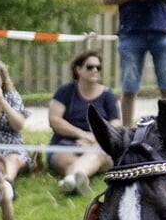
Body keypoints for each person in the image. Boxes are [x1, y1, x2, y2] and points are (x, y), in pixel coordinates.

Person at [47, 49, 120, 194]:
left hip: (99, 144)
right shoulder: (65, 91)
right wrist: (83, 135)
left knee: (97, 154)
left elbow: (116, 123)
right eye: (90, 67)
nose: (95, 70)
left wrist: (96, 139)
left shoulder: (107, 95)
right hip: (65, 143)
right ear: (78, 69)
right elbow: (54, 120)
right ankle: (78, 179)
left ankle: (70, 179)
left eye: (98, 68)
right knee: (67, 160)